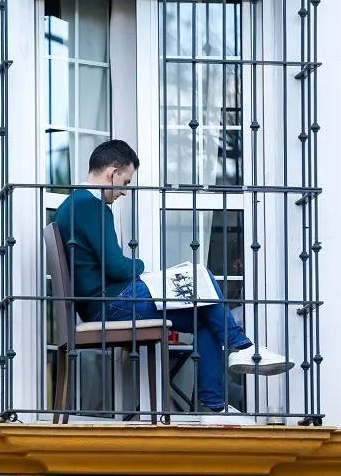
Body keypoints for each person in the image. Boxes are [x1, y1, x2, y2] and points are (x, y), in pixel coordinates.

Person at [53, 139, 294, 421]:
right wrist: (142, 265)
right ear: (112, 173)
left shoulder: (74, 204)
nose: (124, 192)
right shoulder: (91, 206)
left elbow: (109, 266)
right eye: (126, 182)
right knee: (200, 278)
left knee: (202, 312)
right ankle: (241, 348)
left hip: (107, 301)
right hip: (110, 304)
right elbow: (118, 267)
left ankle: (216, 405)